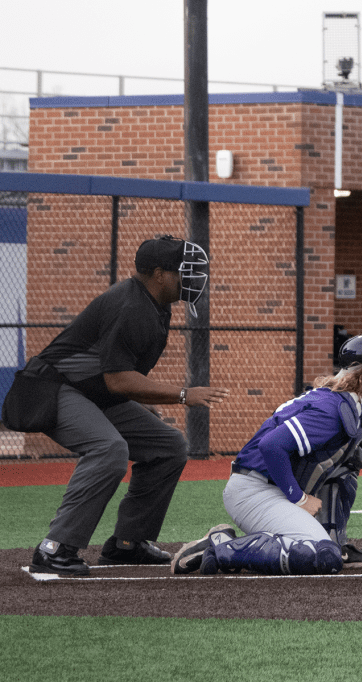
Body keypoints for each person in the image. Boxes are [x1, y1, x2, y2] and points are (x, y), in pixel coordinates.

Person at [28, 236, 228, 576]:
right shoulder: (131, 306)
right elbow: (118, 379)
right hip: (50, 389)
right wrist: (182, 394)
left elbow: (115, 377)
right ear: (159, 274)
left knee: (169, 446)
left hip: (93, 391)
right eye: (184, 271)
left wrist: (139, 399)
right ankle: (56, 546)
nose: (193, 278)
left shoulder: (152, 303)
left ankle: (128, 543)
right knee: (109, 449)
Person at [172, 333, 362, 575]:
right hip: (254, 491)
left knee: (349, 460)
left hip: (272, 487)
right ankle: (220, 546)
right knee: (322, 557)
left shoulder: (355, 405)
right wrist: (299, 499)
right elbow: (271, 446)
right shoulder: (330, 410)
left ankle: (334, 541)